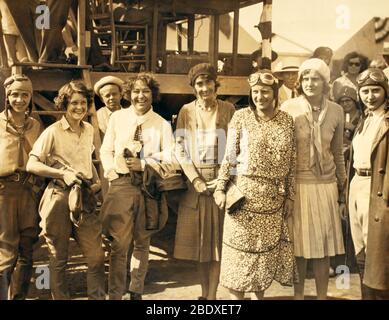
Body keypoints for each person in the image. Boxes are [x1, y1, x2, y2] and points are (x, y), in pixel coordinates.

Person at [213, 69, 297, 300]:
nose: (260, 96)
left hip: (272, 201)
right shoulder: (241, 118)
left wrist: (290, 197)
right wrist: (220, 188)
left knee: (262, 261)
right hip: (242, 199)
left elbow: (292, 162)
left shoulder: (286, 121)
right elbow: (229, 157)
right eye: (256, 92)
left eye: (265, 92)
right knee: (238, 260)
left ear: (274, 93)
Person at [26, 80, 106, 300]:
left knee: (96, 257)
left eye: (83, 102)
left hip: (84, 198)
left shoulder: (88, 128)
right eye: (73, 103)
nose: (79, 107)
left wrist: (96, 180)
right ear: (64, 104)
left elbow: (87, 161)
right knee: (58, 258)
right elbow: (32, 164)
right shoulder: (53, 132)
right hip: (59, 197)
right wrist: (62, 174)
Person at [100, 72, 176, 300]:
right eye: (136, 91)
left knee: (142, 241)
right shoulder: (117, 118)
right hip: (121, 186)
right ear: (128, 94)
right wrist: (111, 172)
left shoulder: (161, 124)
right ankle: (115, 294)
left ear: (153, 94)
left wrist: (143, 164)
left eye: (145, 91)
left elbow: (171, 159)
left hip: (148, 189)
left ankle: (136, 290)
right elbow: (106, 149)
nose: (140, 96)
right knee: (118, 244)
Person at [281, 58, 347, 300]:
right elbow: (284, 152)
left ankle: (321, 296)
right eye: (305, 78)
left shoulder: (337, 111)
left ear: (325, 82)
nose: (309, 83)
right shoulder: (288, 108)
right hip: (298, 185)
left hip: (326, 186)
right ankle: (298, 296)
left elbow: (338, 153)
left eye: (315, 78)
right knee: (299, 247)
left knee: (322, 247)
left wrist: (342, 188)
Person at [173, 63, 235, 300]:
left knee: (217, 246)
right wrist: (195, 179)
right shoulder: (186, 111)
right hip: (195, 185)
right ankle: (203, 291)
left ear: (215, 84)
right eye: (199, 84)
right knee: (201, 247)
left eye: (208, 82)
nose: (204, 88)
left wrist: (223, 180)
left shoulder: (229, 109)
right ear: (193, 87)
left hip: (221, 182)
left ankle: (212, 296)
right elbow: (179, 148)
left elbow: (235, 147)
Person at [347, 68, 389, 299]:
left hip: (378, 188)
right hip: (357, 185)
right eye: (365, 91)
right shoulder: (363, 119)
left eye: (375, 91)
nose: (370, 96)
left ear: (385, 92)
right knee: (361, 252)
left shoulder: (387, 120)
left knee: (379, 257)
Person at [0, 75, 41, 300]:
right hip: (4, 192)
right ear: (7, 96)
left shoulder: (35, 126)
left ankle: (19, 297)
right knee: (5, 250)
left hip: (29, 190)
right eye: (15, 94)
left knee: (27, 248)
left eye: (25, 94)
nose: (20, 99)